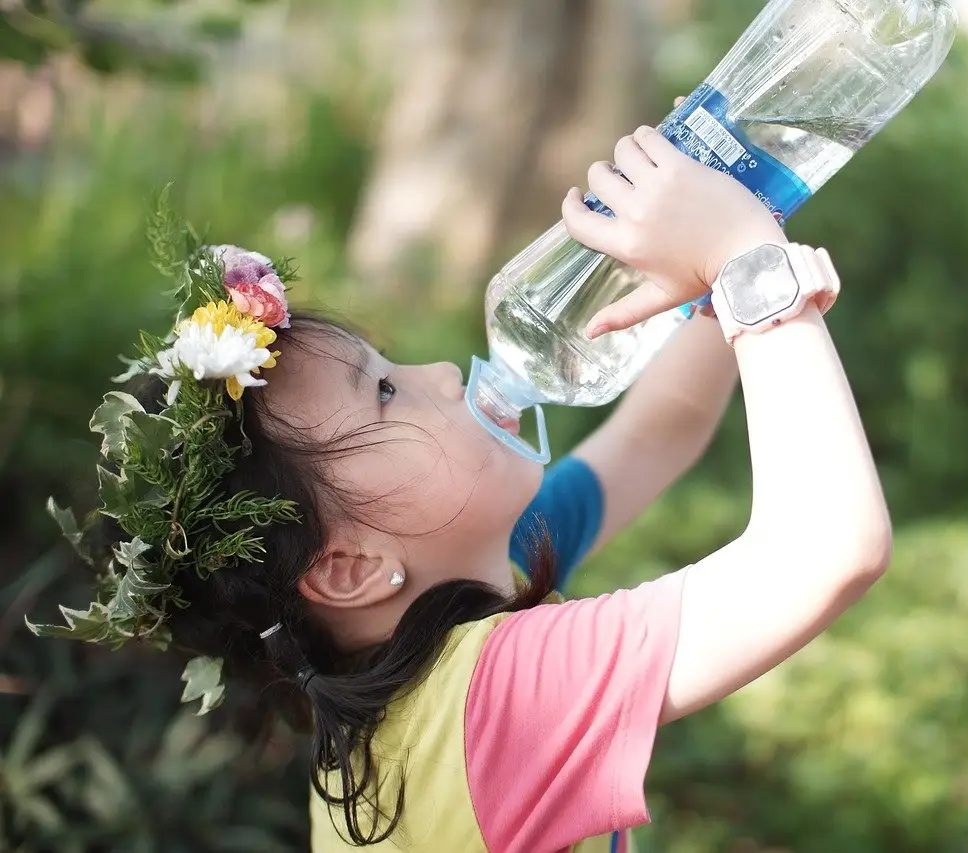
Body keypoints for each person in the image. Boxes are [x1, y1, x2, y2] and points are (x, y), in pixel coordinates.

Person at [31, 123, 891, 852]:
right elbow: (826, 550)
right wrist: (746, 261)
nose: (442, 369)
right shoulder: (500, 703)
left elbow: (658, 430)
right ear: (348, 567)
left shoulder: (429, 662)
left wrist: (727, 239)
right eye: (386, 391)